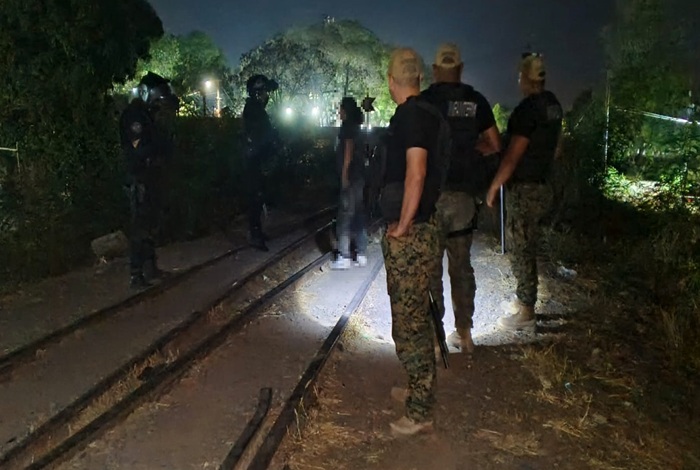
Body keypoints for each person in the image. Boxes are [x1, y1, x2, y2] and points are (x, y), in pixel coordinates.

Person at [381, 47, 446, 436]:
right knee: (415, 316)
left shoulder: (411, 116)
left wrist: (403, 225)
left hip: (413, 233)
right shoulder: (429, 113)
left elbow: (416, 173)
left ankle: (420, 411)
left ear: (392, 81)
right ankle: (416, 388)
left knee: (409, 324)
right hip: (424, 227)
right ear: (419, 78)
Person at [421, 43, 501, 353]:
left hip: (433, 196)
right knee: (461, 266)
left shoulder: (426, 101)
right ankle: (465, 334)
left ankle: (435, 337)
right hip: (464, 198)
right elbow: (494, 144)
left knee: (431, 268)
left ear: (435, 70)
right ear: (461, 69)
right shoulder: (475, 100)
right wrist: (470, 152)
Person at [486, 53, 563, 330]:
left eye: (520, 76)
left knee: (521, 248)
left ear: (526, 79)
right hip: (543, 184)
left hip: (525, 188)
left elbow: (513, 156)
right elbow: (557, 148)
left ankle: (526, 312)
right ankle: (523, 301)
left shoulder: (527, 110)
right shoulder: (553, 104)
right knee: (528, 245)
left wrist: (495, 185)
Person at [119, 72, 179, 289]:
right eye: (157, 97)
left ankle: (150, 267)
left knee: (150, 225)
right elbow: (138, 149)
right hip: (139, 178)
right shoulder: (134, 115)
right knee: (140, 228)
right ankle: (136, 274)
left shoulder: (146, 115)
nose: (159, 103)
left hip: (150, 177)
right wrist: (160, 146)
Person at [243, 74, 280, 251]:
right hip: (253, 160)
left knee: (259, 196)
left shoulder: (256, 109)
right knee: (255, 197)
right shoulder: (253, 110)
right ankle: (254, 233)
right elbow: (258, 135)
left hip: (258, 159)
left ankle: (257, 230)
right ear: (257, 93)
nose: (267, 96)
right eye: (264, 92)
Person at [331, 97, 369, 270]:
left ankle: (344, 256)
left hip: (351, 177)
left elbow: (348, 150)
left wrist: (344, 174)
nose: (339, 112)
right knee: (358, 214)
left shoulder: (347, 128)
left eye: (340, 109)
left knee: (345, 215)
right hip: (359, 176)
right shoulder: (357, 127)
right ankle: (361, 254)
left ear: (345, 110)